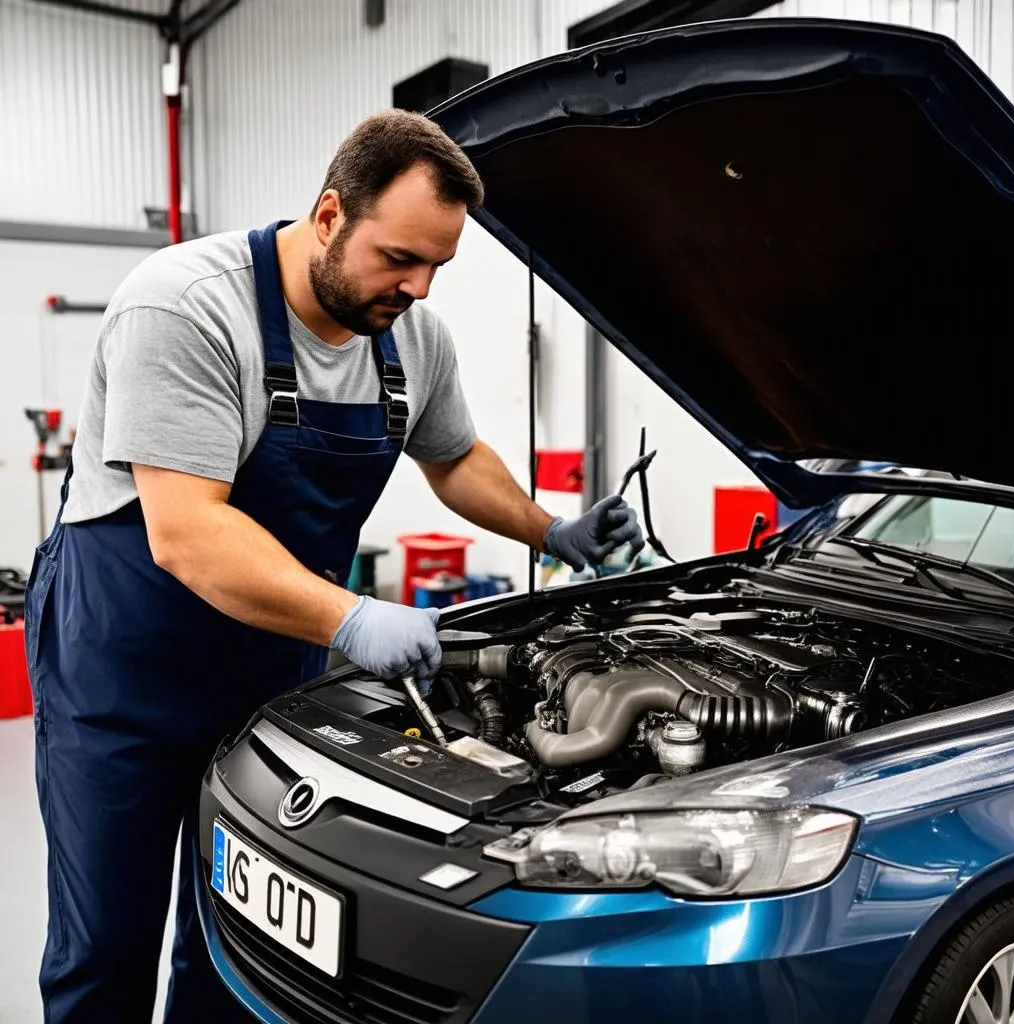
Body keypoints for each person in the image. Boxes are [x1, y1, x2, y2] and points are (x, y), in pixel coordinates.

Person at [23, 108, 643, 1023]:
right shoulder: (186, 305)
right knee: (105, 946)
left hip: (272, 670)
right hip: (124, 666)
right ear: (327, 217)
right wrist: (353, 619)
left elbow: (456, 458)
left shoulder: (412, 339)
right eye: (399, 258)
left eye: (438, 265)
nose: (419, 287)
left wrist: (550, 529)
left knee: (234, 936)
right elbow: (187, 532)